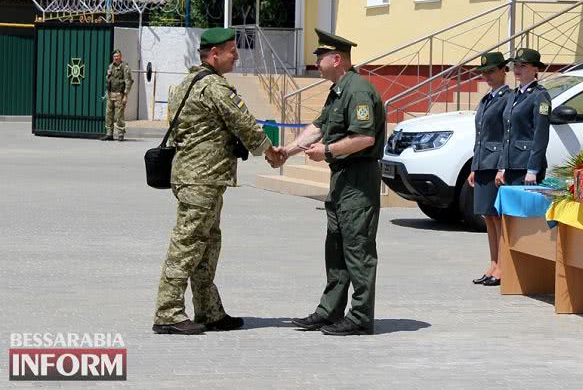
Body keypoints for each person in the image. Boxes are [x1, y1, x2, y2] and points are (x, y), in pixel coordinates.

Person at [152, 27, 283, 335]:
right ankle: (167, 311)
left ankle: (209, 310)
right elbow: (244, 124)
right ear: (214, 54)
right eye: (231, 51)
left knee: (207, 244)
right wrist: (269, 151)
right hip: (202, 178)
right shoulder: (214, 87)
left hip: (194, 176)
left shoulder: (183, 84)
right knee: (187, 244)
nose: (236, 56)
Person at [270, 28, 385, 336]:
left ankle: (360, 317)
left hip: (359, 177)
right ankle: (330, 311)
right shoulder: (338, 90)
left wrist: (328, 151)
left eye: (320, 57)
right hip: (343, 178)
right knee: (335, 246)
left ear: (337, 59)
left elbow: (364, 137)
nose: (317, 62)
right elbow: (318, 128)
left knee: (357, 247)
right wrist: (287, 152)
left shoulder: (358, 89)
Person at [468, 52, 511, 287]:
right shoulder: (487, 99)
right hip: (484, 162)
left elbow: (506, 136)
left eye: (492, 71)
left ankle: (503, 266)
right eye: (484, 73)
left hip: (496, 163)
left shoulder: (508, 98)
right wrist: (475, 166)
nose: (488, 76)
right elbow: (479, 136)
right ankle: (493, 262)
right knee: (488, 216)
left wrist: (502, 166)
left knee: (497, 217)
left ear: (504, 71)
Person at [496, 48, 551, 189]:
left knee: (524, 211)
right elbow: (506, 134)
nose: (517, 69)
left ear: (535, 68)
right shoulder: (513, 95)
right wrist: (502, 167)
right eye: (516, 65)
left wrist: (533, 169)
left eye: (523, 66)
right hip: (511, 165)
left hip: (526, 167)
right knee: (508, 210)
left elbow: (541, 135)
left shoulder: (540, 95)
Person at [101, 49, 133, 141]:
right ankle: (109, 133)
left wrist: (126, 95)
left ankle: (120, 134)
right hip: (110, 93)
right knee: (108, 114)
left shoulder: (124, 67)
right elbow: (108, 80)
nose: (116, 58)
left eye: (117, 56)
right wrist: (107, 75)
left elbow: (128, 81)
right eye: (114, 56)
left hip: (120, 94)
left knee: (119, 115)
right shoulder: (110, 66)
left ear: (120, 57)